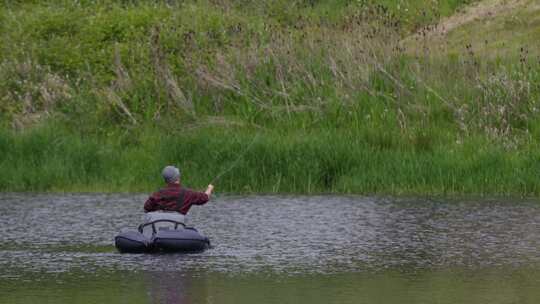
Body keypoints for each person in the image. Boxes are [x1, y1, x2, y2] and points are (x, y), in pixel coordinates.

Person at [144, 165, 214, 222]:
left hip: (160, 231)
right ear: (178, 177)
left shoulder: (158, 194)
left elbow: (147, 208)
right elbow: (205, 198)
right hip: (178, 231)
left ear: (165, 180)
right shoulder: (189, 193)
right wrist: (209, 189)